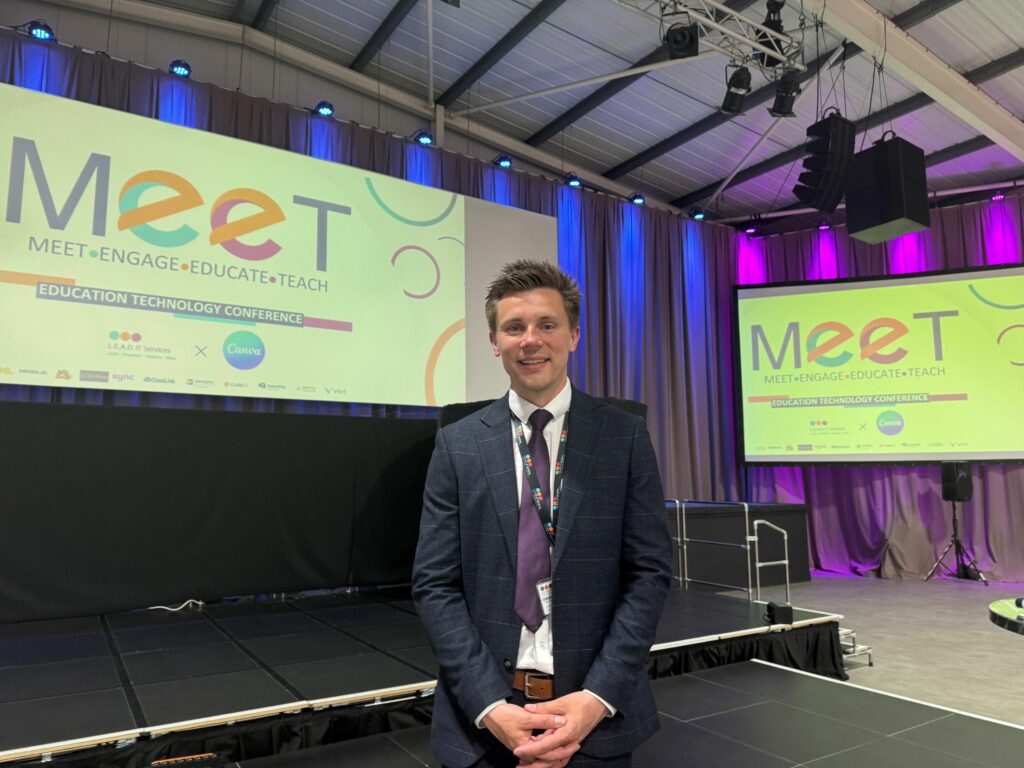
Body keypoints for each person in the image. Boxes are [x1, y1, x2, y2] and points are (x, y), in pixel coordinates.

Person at [412, 260, 671, 767]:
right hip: (482, 723)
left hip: (594, 718)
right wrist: (489, 706)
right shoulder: (457, 445)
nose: (530, 340)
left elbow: (649, 574)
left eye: (547, 325)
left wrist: (596, 698)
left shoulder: (624, 437)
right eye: (514, 327)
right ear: (494, 342)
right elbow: (434, 583)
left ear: (573, 335)